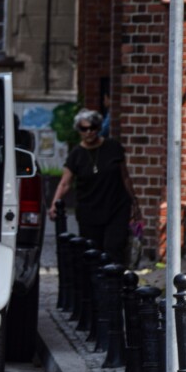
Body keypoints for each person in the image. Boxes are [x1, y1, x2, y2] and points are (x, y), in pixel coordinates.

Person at [47, 108, 140, 265]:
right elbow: (65, 182)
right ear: (79, 130)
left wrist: (134, 202)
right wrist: (55, 203)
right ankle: (96, 287)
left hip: (116, 206)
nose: (89, 132)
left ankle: (116, 286)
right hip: (89, 209)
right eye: (84, 128)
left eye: (93, 128)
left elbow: (125, 177)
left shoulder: (113, 148)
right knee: (93, 250)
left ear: (98, 128)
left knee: (114, 247)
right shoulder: (76, 155)